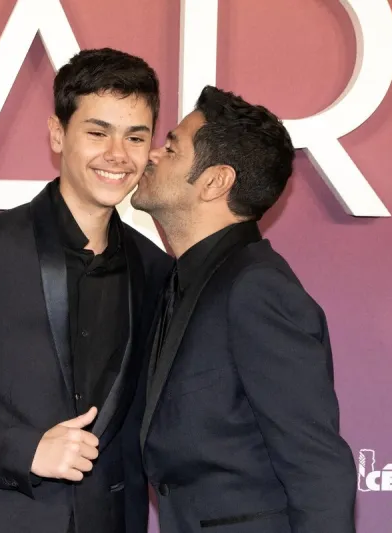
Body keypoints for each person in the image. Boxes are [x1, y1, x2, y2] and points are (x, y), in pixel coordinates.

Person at [0, 48, 172, 533]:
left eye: (135, 137)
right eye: (98, 132)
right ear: (58, 134)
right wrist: (28, 450)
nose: (117, 155)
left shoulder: (156, 269)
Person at [130, 85, 357, 533]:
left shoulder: (256, 289)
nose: (152, 155)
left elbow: (317, 467)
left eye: (171, 147)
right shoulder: (183, 280)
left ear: (215, 181)